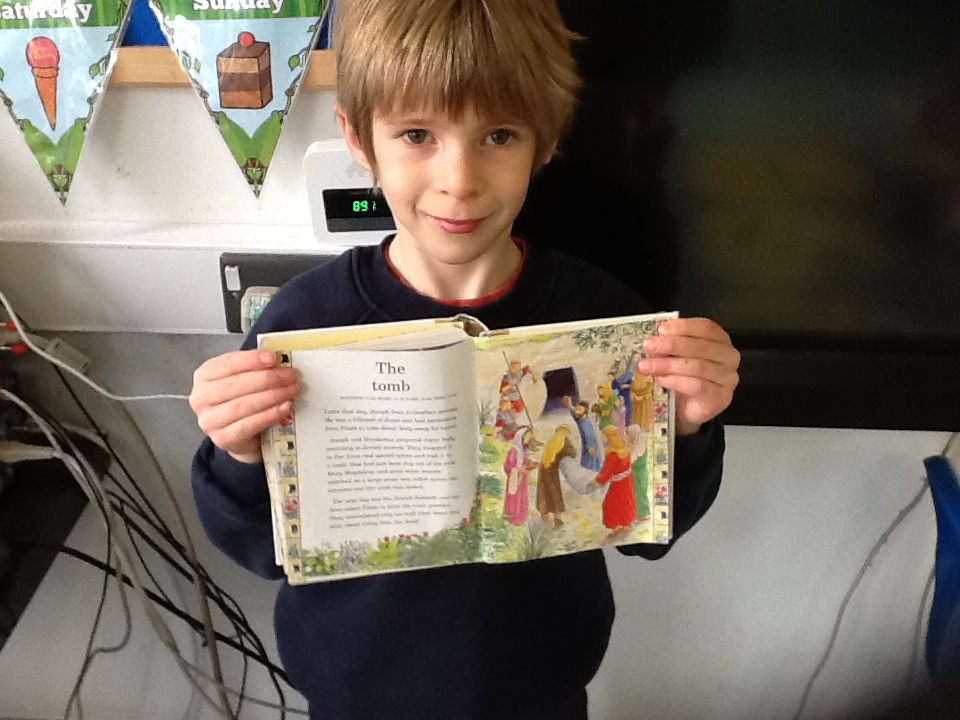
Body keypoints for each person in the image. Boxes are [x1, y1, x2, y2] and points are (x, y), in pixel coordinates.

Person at [187, 1, 740, 718]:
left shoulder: (604, 320)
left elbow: (649, 535)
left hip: (541, 696)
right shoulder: (304, 323)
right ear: (359, 137)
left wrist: (686, 430)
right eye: (417, 134)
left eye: (498, 135)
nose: (460, 179)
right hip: (356, 697)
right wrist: (236, 452)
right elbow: (259, 548)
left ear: (547, 140)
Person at [592, 425, 638, 539]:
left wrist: (597, 480)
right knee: (627, 500)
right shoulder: (625, 448)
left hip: (618, 483)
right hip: (628, 480)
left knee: (611, 504)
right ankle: (627, 523)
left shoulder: (613, 454)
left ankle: (616, 525)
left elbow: (607, 471)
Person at [538, 425, 575, 527]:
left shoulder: (557, 441)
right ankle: (553, 516)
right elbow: (570, 453)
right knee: (551, 492)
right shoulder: (559, 442)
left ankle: (550, 515)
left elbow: (570, 453)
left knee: (547, 491)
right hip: (548, 469)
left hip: (547, 469)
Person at [503, 426, 537, 526]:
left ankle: (521, 517)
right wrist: (519, 470)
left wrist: (530, 464)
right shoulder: (515, 450)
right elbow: (508, 467)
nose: (529, 438)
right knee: (514, 497)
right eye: (528, 436)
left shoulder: (524, 449)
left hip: (522, 477)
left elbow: (524, 462)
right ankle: (513, 518)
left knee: (521, 497)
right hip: (515, 478)